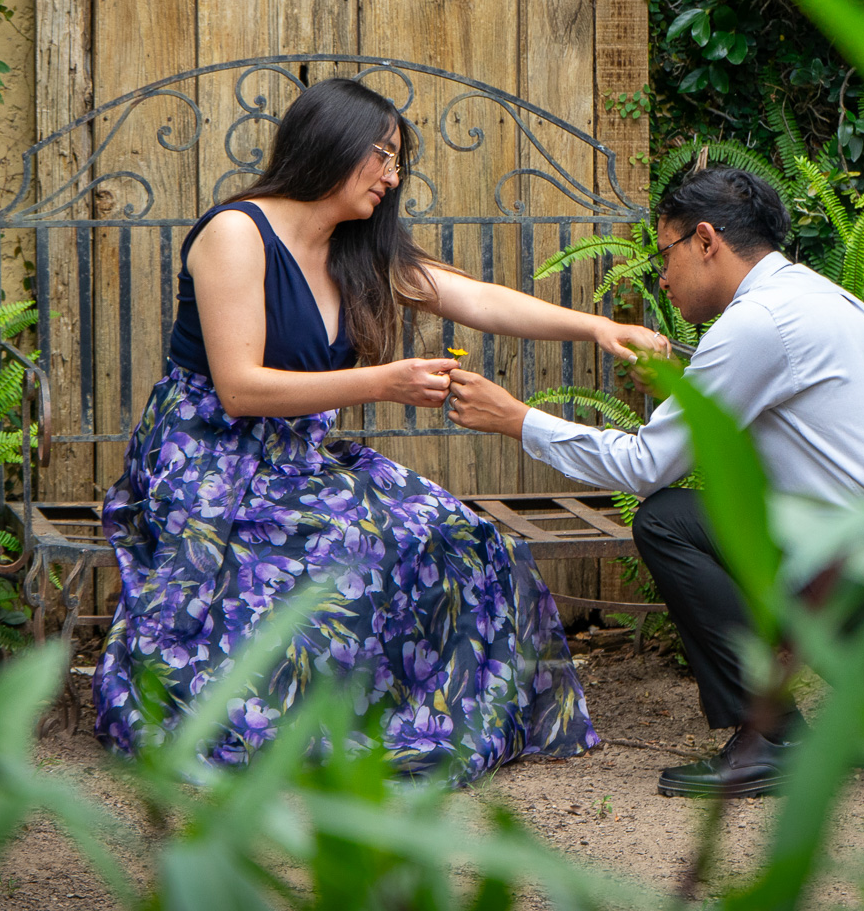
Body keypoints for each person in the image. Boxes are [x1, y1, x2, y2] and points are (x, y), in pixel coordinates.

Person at [91, 77, 667, 785]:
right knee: (355, 542)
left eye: (398, 162)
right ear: (331, 145)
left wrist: (601, 328)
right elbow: (239, 389)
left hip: (297, 461)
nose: (393, 177)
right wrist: (383, 381)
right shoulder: (237, 234)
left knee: (462, 536)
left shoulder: (355, 249)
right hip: (206, 464)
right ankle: (286, 718)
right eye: (383, 156)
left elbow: (474, 297)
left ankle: (415, 722)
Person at [445, 167, 864, 798]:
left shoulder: (757, 323)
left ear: (705, 240)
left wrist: (517, 421)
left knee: (667, 520)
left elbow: (645, 469)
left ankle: (771, 737)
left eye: (666, 252)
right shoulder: (811, 297)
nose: (661, 275)